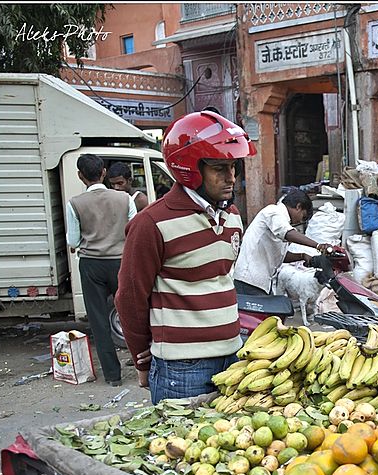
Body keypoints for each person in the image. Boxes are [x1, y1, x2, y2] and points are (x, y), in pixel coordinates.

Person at [115, 111, 256, 404]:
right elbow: (129, 298)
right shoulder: (151, 224)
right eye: (219, 168)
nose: (231, 178)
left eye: (234, 167)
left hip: (233, 355)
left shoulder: (232, 217)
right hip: (182, 369)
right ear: (188, 169)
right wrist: (142, 361)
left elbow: (222, 281)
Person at [67, 153, 137, 386]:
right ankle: (142, 367)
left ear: (80, 176)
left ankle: (112, 376)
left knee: (98, 321)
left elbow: (74, 241)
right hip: (121, 262)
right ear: (104, 173)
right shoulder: (124, 198)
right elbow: (134, 232)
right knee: (132, 315)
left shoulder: (75, 203)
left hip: (91, 265)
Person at [233, 187, 330, 296]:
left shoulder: (282, 221)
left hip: (261, 282)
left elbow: (280, 256)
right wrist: (318, 245)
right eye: (303, 217)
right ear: (298, 207)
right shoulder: (274, 212)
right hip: (248, 280)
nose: (299, 222)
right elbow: (288, 233)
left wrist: (302, 256)